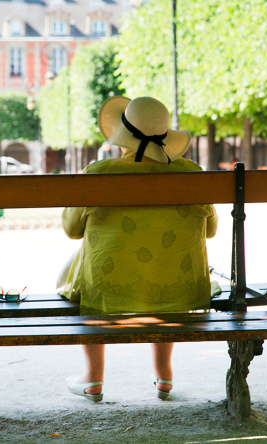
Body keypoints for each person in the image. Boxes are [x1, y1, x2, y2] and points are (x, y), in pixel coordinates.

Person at [57, 96, 218, 402]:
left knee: (82, 265)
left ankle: (93, 377)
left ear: (123, 136)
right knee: (163, 262)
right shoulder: (191, 173)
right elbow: (210, 230)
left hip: (108, 288)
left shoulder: (99, 173)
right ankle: (164, 372)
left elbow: (71, 230)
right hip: (178, 287)